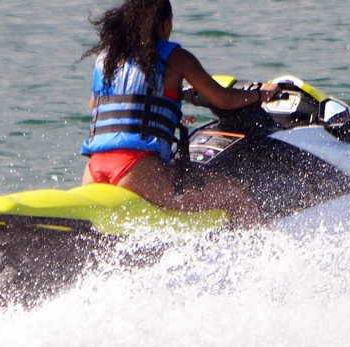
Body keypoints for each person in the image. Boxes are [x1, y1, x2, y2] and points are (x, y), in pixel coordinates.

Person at [80, 0, 279, 227]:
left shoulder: (106, 59)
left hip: (94, 169)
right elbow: (223, 99)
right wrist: (260, 94)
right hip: (137, 170)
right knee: (237, 197)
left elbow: (95, 106)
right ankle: (261, 258)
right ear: (165, 25)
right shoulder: (176, 58)